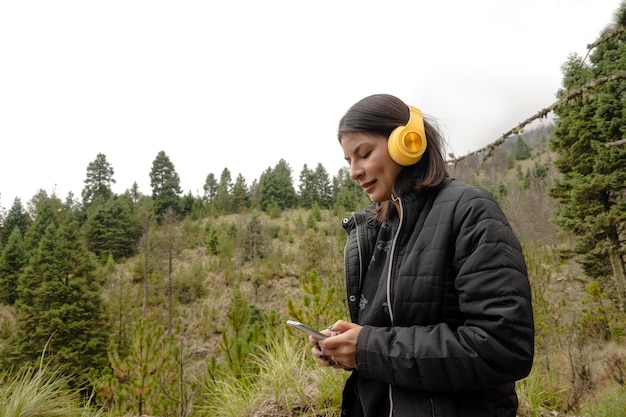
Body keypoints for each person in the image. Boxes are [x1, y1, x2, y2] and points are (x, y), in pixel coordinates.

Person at [310, 93, 534, 417]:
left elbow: (502, 348)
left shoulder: (470, 211)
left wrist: (367, 349)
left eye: (364, 154)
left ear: (408, 142)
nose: (354, 172)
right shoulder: (375, 231)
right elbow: (385, 340)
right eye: (348, 161)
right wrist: (345, 348)